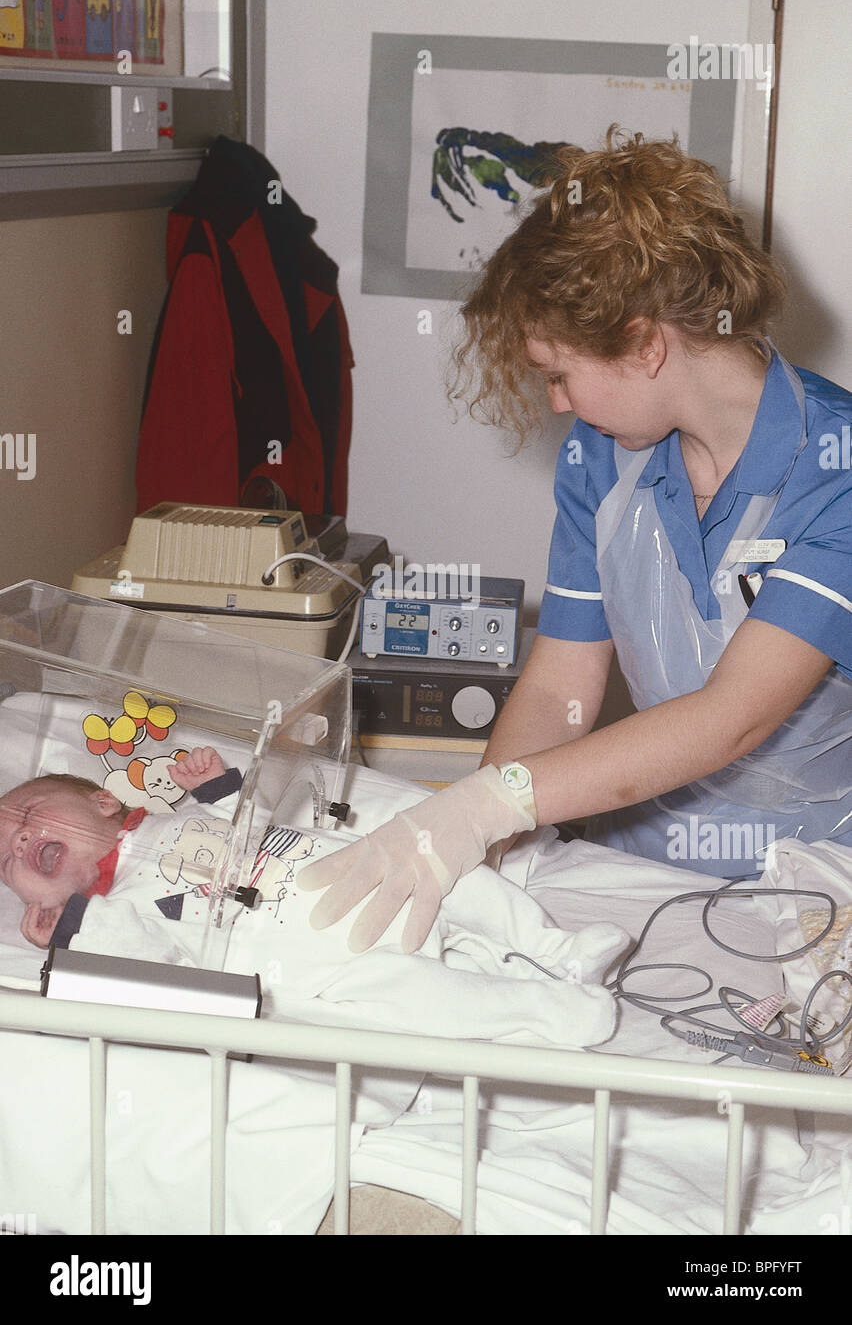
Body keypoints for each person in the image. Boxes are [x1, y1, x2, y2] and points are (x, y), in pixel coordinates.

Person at [298, 128, 852, 951]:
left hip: (811, 889)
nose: (555, 403)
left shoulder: (834, 472)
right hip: (639, 871)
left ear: (643, 342)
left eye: (558, 372)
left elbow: (729, 719)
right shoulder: (603, 458)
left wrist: (491, 803)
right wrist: (486, 834)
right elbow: (563, 682)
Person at [0, 751, 625, 1049]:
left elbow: (259, 812)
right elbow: (153, 963)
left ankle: (556, 947)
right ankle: (547, 1009)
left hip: (359, 875)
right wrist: (72, 925)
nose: (21, 838)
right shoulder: (116, 913)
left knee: (462, 878)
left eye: (27, 815)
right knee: (420, 1004)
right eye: (6, 861)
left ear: (103, 801)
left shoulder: (173, 817)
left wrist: (219, 785)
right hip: (332, 965)